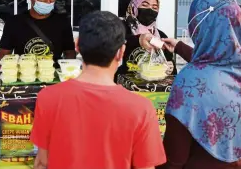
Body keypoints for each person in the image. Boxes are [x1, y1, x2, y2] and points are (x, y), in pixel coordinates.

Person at [30, 11, 166, 169]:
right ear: (121, 52)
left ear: (77, 45)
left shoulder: (48, 98)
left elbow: (41, 162)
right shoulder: (141, 108)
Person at [157, 0, 241, 169]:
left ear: (200, 27)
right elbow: (218, 63)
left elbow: (175, 158)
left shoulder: (189, 81)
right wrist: (180, 48)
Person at [0, 0, 76, 65]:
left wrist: (68, 71)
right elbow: (3, 55)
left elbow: (69, 53)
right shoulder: (14, 22)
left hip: (53, 76)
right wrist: (4, 70)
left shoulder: (62, 21)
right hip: (25, 77)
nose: (48, 0)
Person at [116, 0, 177, 81]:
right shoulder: (121, 27)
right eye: (144, 5)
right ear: (134, 7)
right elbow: (112, 43)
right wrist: (139, 39)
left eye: (155, 7)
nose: (150, 10)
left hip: (151, 90)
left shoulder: (160, 35)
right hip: (124, 86)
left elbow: (169, 62)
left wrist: (170, 68)